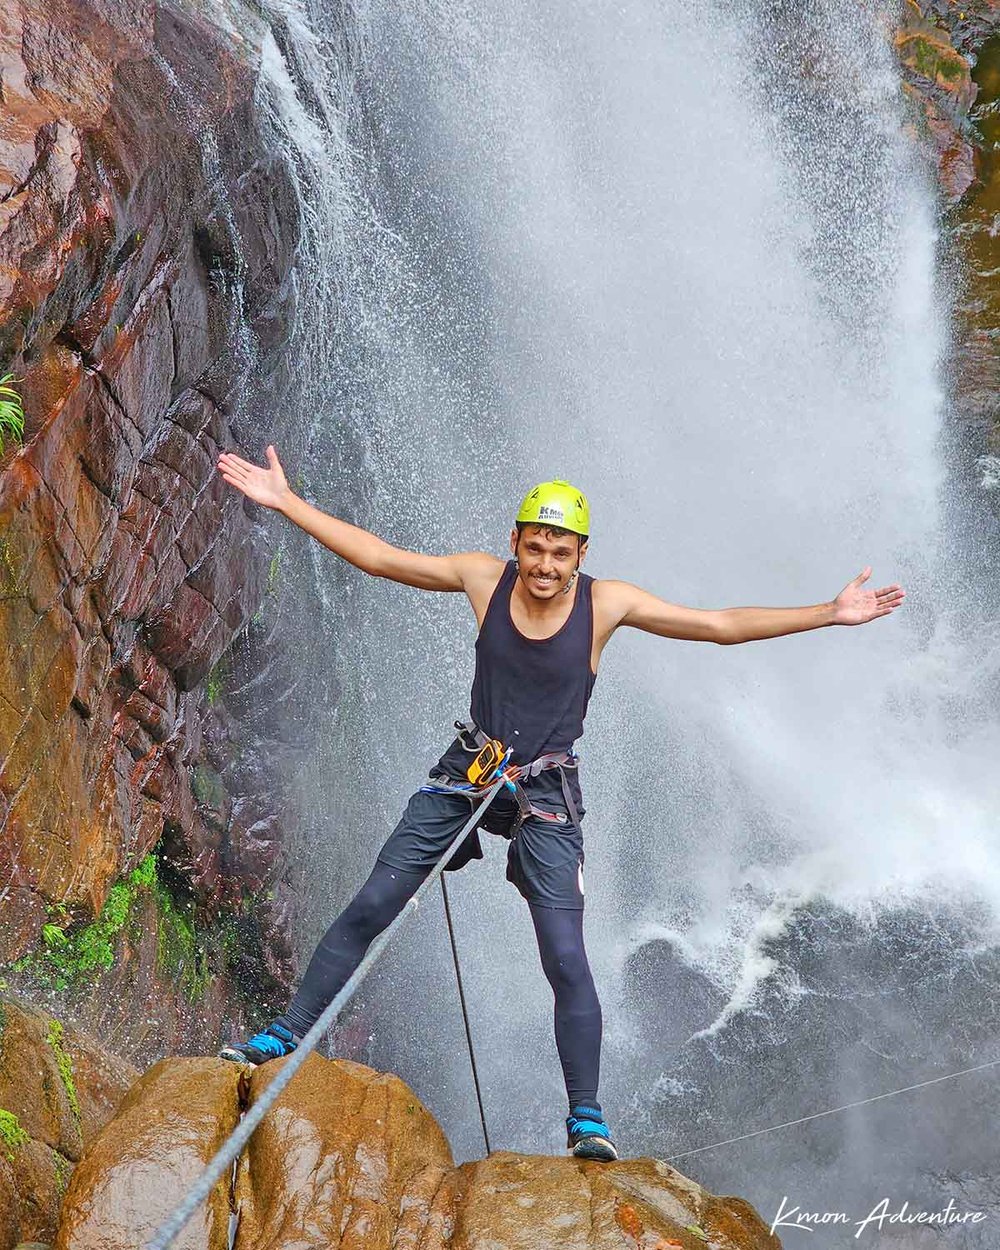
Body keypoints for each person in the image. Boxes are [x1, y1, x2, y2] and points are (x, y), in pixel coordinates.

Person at [213, 446, 906, 1161]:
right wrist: (288, 503)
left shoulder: (607, 604)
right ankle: (287, 1034)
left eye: (561, 552)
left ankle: (586, 1119)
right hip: (471, 769)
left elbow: (718, 624)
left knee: (566, 957)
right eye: (536, 548)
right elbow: (382, 559)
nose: (545, 565)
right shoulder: (483, 578)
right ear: (515, 541)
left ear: (581, 555)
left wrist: (828, 613)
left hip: (546, 791)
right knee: (373, 903)